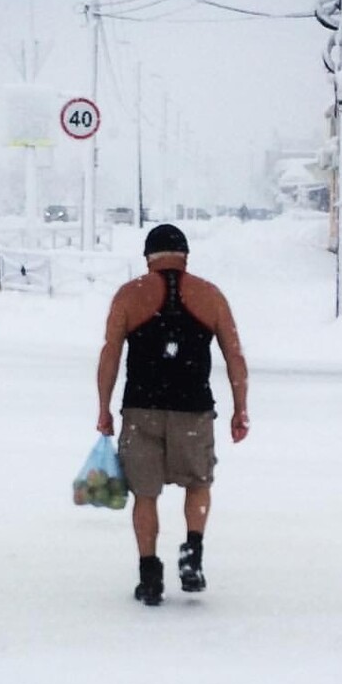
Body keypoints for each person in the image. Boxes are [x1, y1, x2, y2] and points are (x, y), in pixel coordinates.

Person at [96, 223, 249, 606]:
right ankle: (192, 553)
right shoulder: (210, 295)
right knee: (198, 483)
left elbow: (110, 354)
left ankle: (149, 574)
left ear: (148, 257)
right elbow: (235, 356)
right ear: (185, 256)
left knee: (144, 494)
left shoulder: (130, 295)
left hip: (141, 409)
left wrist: (103, 409)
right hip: (193, 411)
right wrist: (240, 408)